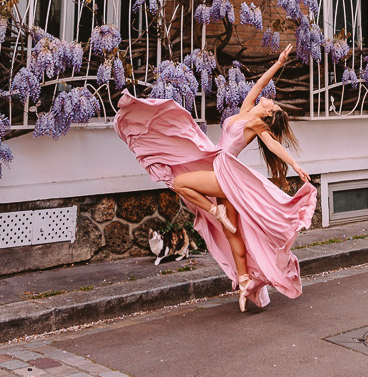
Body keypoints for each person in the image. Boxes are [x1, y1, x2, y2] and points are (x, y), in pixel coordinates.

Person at [115, 44, 317, 311]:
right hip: (218, 167)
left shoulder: (256, 123)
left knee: (180, 183)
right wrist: (278, 63)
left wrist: (295, 164)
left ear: (269, 114)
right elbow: (259, 85)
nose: (268, 98)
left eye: (272, 103)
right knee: (233, 234)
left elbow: (273, 145)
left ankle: (214, 209)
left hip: (225, 172)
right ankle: (245, 282)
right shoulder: (246, 111)